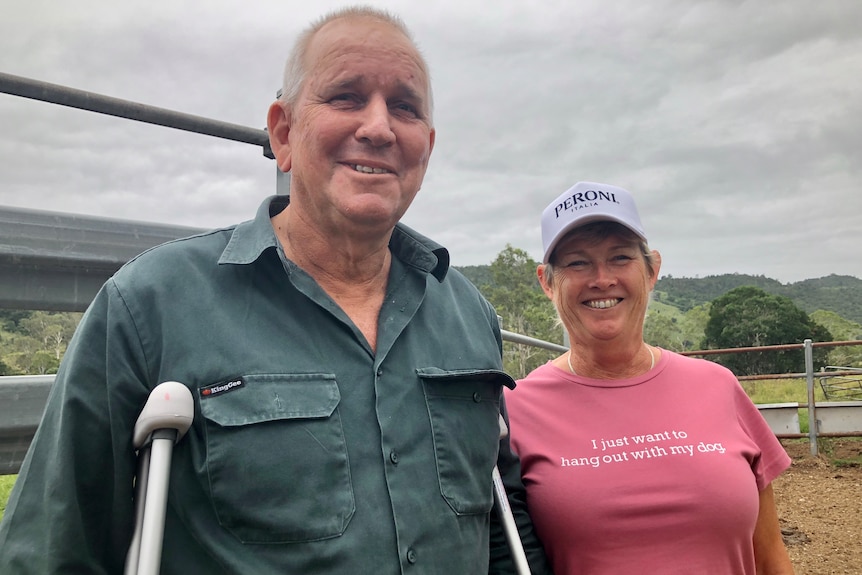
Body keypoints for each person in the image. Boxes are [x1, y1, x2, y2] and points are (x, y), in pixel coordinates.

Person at [0, 7, 550, 574]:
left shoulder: (468, 315)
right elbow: (53, 552)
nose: (380, 127)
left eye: (405, 107)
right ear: (283, 132)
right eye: (346, 96)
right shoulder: (149, 306)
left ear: (426, 145)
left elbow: (501, 531)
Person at [503, 181, 796, 574]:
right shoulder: (516, 410)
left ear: (652, 269)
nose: (602, 278)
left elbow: (770, 555)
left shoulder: (718, 386)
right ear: (547, 281)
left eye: (620, 257)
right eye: (577, 262)